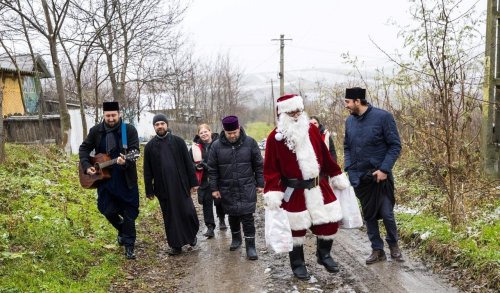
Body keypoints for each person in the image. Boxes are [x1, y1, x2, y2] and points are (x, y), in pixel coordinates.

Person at [263, 94, 350, 280]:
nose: (296, 115)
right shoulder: (274, 138)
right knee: (295, 229)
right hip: (293, 190)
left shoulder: (311, 130)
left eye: (298, 111)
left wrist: (335, 174)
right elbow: (270, 168)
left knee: (329, 222)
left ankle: (324, 254)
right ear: (282, 113)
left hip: (318, 185)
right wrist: (273, 191)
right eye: (291, 112)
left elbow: (325, 157)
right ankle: (297, 263)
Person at [343, 87, 403, 264]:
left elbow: (395, 146)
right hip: (360, 178)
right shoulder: (349, 122)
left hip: (380, 177)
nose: (346, 105)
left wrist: (384, 169)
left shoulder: (383, 117)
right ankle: (377, 250)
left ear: (357, 101)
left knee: (386, 214)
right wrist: (350, 170)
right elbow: (347, 147)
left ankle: (394, 246)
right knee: (369, 216)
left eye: (347, 102)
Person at [79, 101, 140, 260]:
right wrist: (87, 166)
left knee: (129, 213)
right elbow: (84, 149)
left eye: (114, 115)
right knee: (106, 209)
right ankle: (122, 230)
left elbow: (135, 151)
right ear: (104, 115)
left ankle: (129, 246)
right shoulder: (96, 131)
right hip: (105, 180)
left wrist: (125, 161)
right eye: (108, 116)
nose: (111, 118)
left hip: (125, 178)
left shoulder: (129, 130)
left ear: (119, 114)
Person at [207, 116, 264, 260]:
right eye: (229, 133)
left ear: (239, 129)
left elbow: (258, 165)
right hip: (227, 187)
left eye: (234, 132)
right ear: (224, 131)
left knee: (247, 217)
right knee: (232, 215)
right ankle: (236, 239)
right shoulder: (216, 146)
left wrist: (260, 183)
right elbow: (212, 169)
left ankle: (251, 246)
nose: (232, 135)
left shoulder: (250, 143)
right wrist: (214, 188)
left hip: (247, 186)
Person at [143, 114, 199, 256]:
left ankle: (191, 236)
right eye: (157, 124)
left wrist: (193, 182)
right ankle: (176, 245)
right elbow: (147, 170)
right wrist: (149, 189)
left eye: (162, 123)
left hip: (181, 185)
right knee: (170, 216)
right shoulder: (149, 147)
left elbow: (188, 163)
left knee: (188, 212)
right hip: (164, 189)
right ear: (154, 127)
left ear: (167, 125)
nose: (160, 126)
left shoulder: (178, 142)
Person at [190, 124, 226, 238]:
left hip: (218, 177)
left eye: (206, 132)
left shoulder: (219, 144)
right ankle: (210, 226)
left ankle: (221, 219)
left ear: (210, 132)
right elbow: (189, 162)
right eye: (201, 133)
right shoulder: (195, 147)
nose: (204, 134)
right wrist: (196, 167)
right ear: (198, 135)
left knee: (219, 201)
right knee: (206, 203)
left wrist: (206, 164)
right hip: (204, 179)